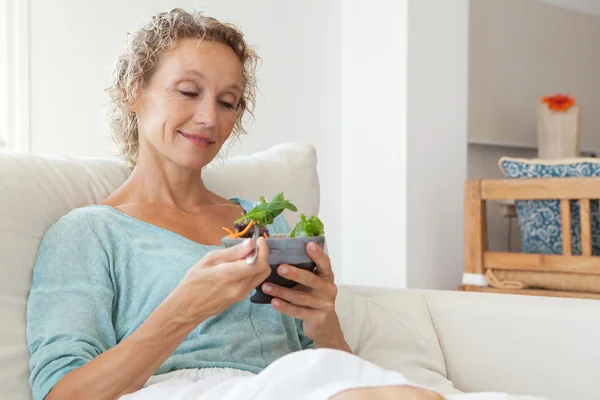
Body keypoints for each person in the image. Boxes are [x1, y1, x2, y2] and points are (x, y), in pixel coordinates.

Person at [26, 8, 443, 400]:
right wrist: (183, 310)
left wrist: (324, 322)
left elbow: (331, 370)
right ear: (134, 92)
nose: (210, 117)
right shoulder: (90, 232)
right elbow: (62, 393)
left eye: (227, 102)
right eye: (188, 91)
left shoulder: (270, 226)